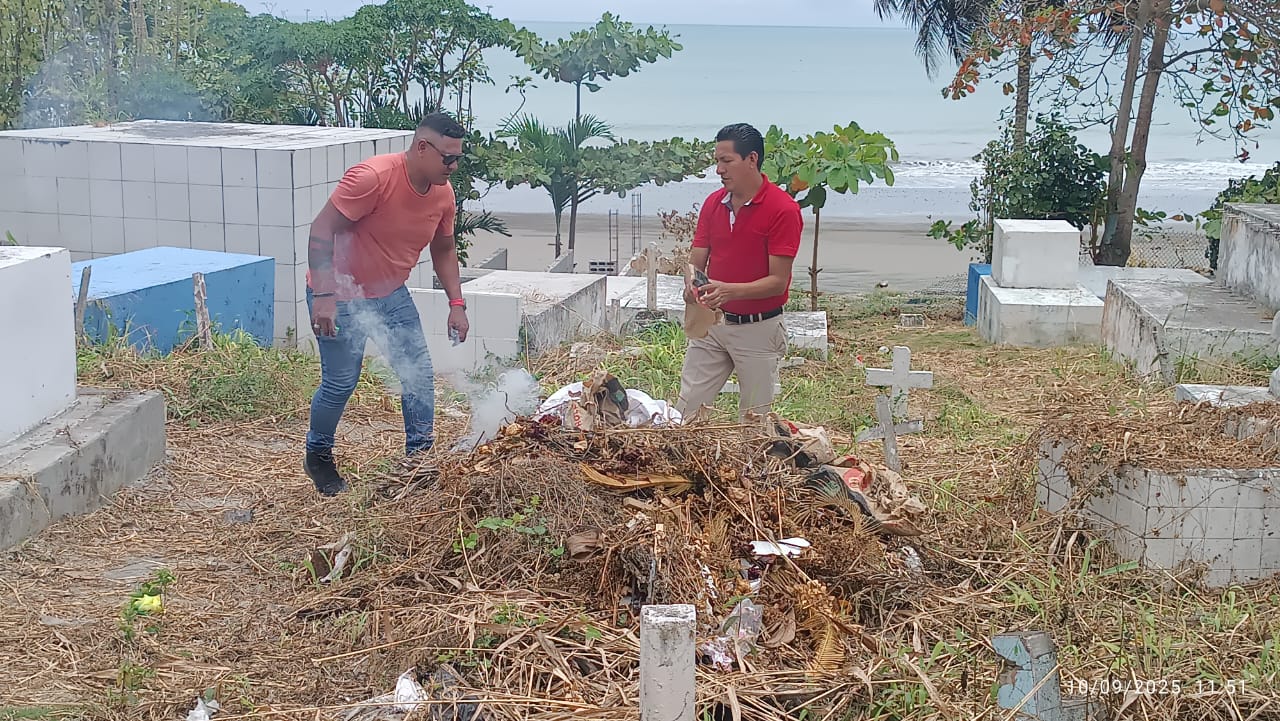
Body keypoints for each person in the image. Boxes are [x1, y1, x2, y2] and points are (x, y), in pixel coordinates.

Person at [302, 112, 470, 496]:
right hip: (340, 294)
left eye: (458, 158)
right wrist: (324, 295)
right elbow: (321, 229)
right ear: (422, 147)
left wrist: (456, 303)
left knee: (418, 375)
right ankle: (318, 456)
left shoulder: (443, 194)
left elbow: (444, 249)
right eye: (448, 158)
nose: (454, 166)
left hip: (391, 294)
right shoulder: (373, 177)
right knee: (340, 383)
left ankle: (419, 461)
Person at [674, 123, 802, 421]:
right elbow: (696, 260)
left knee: (754, 422)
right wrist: (691, 284)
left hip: (758, 329)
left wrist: (728, 290)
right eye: (717, 161)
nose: (719, 169)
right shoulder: (713, 203)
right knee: (686, 412)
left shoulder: (783, 209)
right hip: (712, 324)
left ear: (752, 159)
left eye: (726, 161)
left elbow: (778, 282)